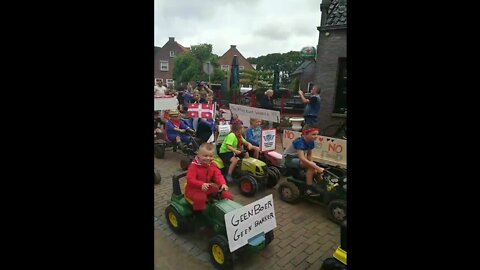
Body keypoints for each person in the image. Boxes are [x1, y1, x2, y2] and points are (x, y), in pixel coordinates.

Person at [185, 143, 234, 212]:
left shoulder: (212, 165)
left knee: (227, 195)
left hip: (208, 187)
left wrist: (222, 184)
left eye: (211, 156)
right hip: (194, 189)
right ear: (198, 155)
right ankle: (199, 213)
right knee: (200, 199)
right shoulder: (194, 166)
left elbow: (218, 175)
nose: (208, 158)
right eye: (205, 156)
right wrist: (201, 184)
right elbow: (190, 179)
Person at [283, 125, 325, 196]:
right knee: (312, 167)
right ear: (305, 134)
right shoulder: (300, 142)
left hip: (297, 159)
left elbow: (309, 155)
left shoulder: (311, 141)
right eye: (313, 134)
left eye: (317, 134)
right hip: (289, 159)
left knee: (313, 165)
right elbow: (302, 158)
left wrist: (313, 164)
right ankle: (309, 188)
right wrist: (316, 167)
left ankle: (317, 182)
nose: (316, 136)